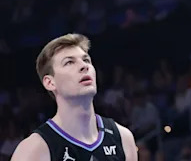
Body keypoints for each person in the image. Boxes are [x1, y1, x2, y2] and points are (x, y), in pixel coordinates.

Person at [10, 33, 139, 161]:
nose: (84, 66)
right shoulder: (34, 151)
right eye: (69, 62)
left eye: (86, 60)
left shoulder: (123, 138)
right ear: (50, 82)